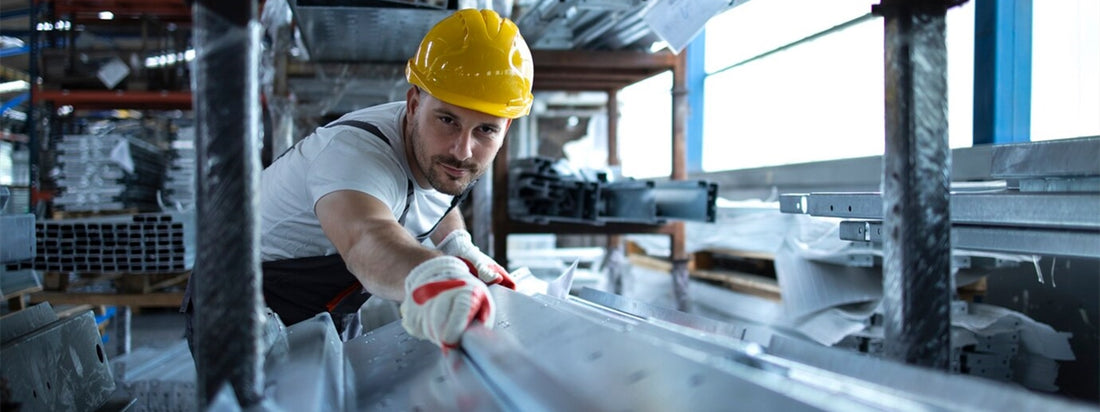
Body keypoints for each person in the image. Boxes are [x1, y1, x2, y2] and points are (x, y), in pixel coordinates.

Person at [183, 8, 534, 349]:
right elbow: (365, 239)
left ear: (506, 129)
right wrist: (432, 274)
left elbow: (437, 200)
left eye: (486, 129)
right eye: (447, 120)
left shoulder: (439, 156)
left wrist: (456, 244)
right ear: (413, 104)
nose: (462, 150)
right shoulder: (353, 156)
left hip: (329, 304)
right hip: (244, 306)